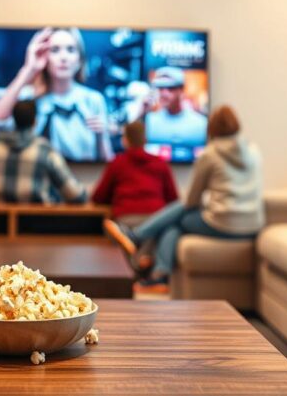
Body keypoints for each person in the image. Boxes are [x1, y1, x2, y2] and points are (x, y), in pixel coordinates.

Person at [104, 105, 264, 288]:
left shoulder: (210, 154)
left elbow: (190, 201)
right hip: (253, 225)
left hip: (224, 225)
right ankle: (157, 269)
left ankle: (142, 243)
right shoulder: (253, 150)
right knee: (179, 218)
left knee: (177, 219)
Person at [0, 27, 113, 162]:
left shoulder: (93, 100)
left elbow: (106, 162)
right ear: (44, 57)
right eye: (55, 50)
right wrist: (28, 69)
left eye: (70, 50)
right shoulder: (29, 98)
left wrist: (103, 133)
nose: (63, 57)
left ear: (80, 60)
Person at [0, 100, 88, 204]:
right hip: (36, 222)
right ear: (35, 121)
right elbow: (75, 195)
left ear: (14, 119)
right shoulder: (45, 150)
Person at [92, 121, 178, 227]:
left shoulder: (117, 163)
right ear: (145, 139)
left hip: (125, 218)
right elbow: (173, 199)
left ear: (125, 140)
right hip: (155, 219)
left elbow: (98, 197)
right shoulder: (160, 163)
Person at [144, 67, 207, 147]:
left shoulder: (201, 123)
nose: (164, 93)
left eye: (170, 88)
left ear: (181, 90)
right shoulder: (150, 121)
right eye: (160, 88)